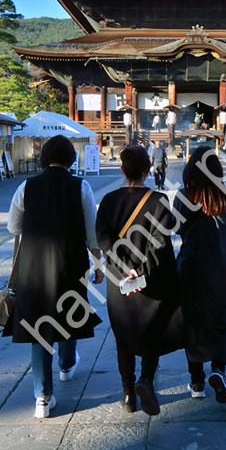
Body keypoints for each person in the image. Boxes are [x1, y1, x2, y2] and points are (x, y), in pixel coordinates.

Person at [5, 135, 103, 419]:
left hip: (33, 266)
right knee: (69, 311)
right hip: (70, 263)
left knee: (39, 326)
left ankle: (43, 397)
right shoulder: (80, 187)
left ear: (44, 157)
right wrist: (98, 266)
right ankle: (67, 364)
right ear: (71, 158)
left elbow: (13, 227)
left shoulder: (26, 187)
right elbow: (92, 233)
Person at [95, 146, 184, 416]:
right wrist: (142, 269)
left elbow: (103, 238)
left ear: (123, 169)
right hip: (152, 279)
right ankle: (145, 379)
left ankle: (127, 394)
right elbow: (161, 241)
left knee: (123, 334)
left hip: (119, 280)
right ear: (148, 170)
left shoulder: (109, 201)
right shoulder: (159, 201)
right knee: (152, 329)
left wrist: (125, 267)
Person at [174, 148, 226, 403]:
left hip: (191, 269)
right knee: (223, 320)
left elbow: (176, 227)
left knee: (193, 322)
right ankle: (218, 370)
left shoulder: (184, 196)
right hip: (223, 269)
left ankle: (196, 381)